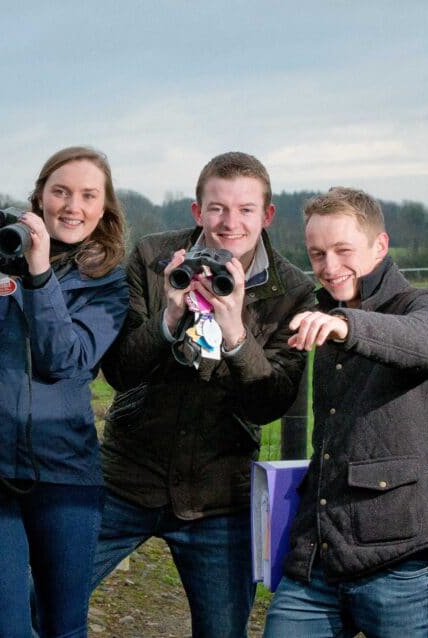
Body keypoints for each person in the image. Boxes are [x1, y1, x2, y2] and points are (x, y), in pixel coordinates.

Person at [95, 152, 316, 638]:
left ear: (267, 215)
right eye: (216, 208)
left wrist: (236, 331)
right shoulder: (155, 259)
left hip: (220, 497)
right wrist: (169, 319)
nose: (229, 222)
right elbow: (121, 371)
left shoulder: (293, 291)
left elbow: (270, 402)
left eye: (245, 209)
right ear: (197, 211)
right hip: (129, 477)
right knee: (42, 598)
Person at [0, 146, 129, 637]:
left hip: (64, 476)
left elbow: (67, 361)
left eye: (87, 195)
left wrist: (38, 276)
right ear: (39, 197)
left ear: (104, 210)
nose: (71, 205)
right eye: (60, 191)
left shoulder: (106, 282)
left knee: (63, 628)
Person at [263, 187, 428, 638]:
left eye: (343, 250)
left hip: (401, 561)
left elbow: (427, 343)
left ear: (381, 245)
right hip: (317, 558)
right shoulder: (319, 313)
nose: (329, 267)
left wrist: (347, 326)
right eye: (317, 254)